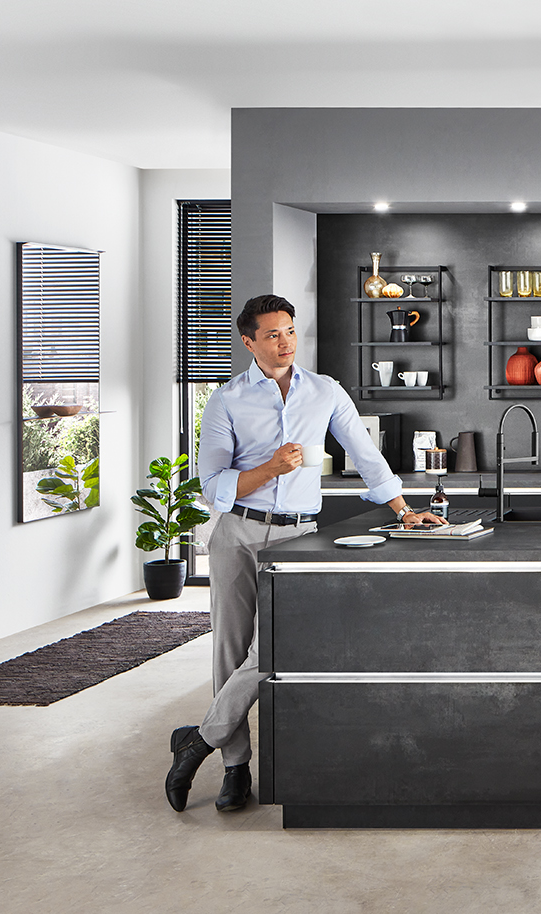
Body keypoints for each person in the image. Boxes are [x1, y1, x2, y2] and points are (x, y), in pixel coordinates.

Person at [164, 294, 444, 813]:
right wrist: (270, 468)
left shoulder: (325, 391)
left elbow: (366, 453)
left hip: (298, 538)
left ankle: (198, 739)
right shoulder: (226, 400)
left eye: (290, 330)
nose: (285, 341)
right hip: (238, 534)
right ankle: (235, 767)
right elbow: (212, 487)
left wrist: (404, 510)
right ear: (249, 342)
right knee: (230, 650)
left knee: (271, 649)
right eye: (271, 334)